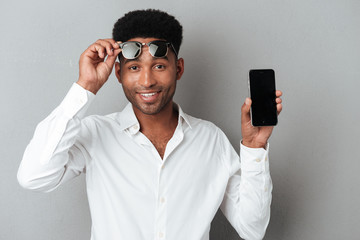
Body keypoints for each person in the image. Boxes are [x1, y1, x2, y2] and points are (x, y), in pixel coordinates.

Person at [17, 9, 283, 240]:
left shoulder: (211, 140)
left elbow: (252, 228)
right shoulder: (95, 134)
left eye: (158, 66)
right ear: (118, 73)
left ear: (178, 69)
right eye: (134, 68)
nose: (146, 81)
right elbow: (33, 176)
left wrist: (254, 147)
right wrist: (86, 86)